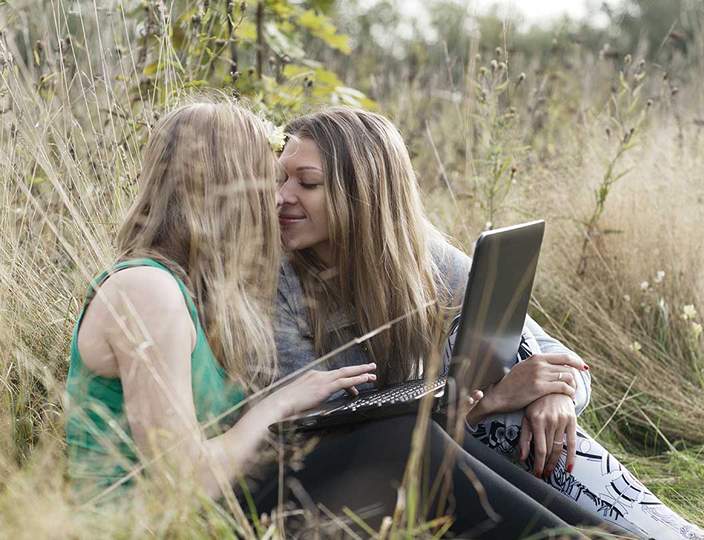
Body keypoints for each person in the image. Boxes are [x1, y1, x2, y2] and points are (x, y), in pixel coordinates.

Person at [64, 99, 612, 538]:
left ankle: (599, 533)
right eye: (266, 179)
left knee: (410, 436)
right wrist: (280, 402)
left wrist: (510, 397)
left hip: (228, 503)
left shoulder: (182, 289)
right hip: (155, 523)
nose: (275, 199)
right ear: (222, 188)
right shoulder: (146, 291)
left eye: (297, 183)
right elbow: (184, 482)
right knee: (395, 440)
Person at [274, 106, 704, 540]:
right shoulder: (283, 284)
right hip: (353, 481)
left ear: (365, 194)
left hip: (452, 447)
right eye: (281, 179)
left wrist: (556, 396)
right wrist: (484, 405)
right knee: (501, 411)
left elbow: (560, 360)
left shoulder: (425, 260)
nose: (281, 197)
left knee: (521, 403)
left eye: (306, 183)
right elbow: (335, 432)